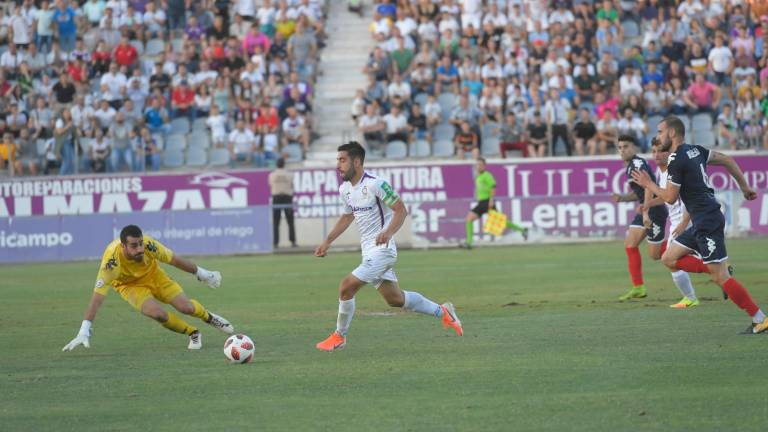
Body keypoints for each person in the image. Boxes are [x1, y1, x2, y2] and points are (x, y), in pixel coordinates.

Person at [314, 142, 463, 352]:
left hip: (383, 251)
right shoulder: (345, 189)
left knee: (346, 287)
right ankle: (444, 312)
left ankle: (340, 336)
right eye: (337, 160)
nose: (338, 165)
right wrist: (328, 241)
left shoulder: (377, 184)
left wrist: (388, 232)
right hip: (369, 252)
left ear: (356, 162)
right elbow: (348, 216)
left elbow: (400, 210)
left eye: (342, 160)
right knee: (395, 299)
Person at [631, 116, 767, 334]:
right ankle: (713, 267)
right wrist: (744, 187)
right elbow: (727, 160)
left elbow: (670, 198)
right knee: (668, 257)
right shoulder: (695, 150)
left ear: (672, 134)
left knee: (720, 277)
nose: (657, 137)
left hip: (707, 221)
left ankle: (760, 319)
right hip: (701, 219)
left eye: (660, 132)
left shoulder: (676, 159)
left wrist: (648, 184)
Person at [62, 225, 234, 352]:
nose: (139, 249)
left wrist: (202, 273)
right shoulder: (111, 263)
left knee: (186, 307)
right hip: (129, 286)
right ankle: (193, 333)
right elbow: (97, 298)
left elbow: (175, 260)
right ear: (123, 246)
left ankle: (209, 317)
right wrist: (84, 330)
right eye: (134, 246)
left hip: (154, 276)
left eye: (140, 243)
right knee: (157, 313)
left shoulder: (149, 245)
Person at [613, 135, 668, 301]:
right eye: (620, 147)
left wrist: (646, 211)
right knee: (630, 245)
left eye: (626, 146)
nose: (622, 150)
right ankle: (638, 287)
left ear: (634, 148)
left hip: (654, 211)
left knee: (656, 255)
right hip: (646, 208)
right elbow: (640, 192)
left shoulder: (637, 163)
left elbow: (649, 185)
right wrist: (622, 198)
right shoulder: (630, 165)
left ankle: (695, 253)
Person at [460, 157, 528, 249]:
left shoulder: (487, 175)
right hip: (482, 202)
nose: (478, 166)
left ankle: (469, 242)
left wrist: (491, 200)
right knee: (500, 221)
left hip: (487, 201)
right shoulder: (478, 177)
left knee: (469, 218)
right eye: (477, 165)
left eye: (480, 165)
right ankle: (522, 230)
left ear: (484, 166)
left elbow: (493, 187)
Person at [269, 158, 297, 248]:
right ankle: (293, 242)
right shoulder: (290, 175)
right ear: (284, 164)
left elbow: (270, 184)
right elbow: (292, 185)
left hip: (276, 198)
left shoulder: (271, 175)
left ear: (276, 164)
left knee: (276, 222)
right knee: (290, 221)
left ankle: (275, 243)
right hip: (287, 197)